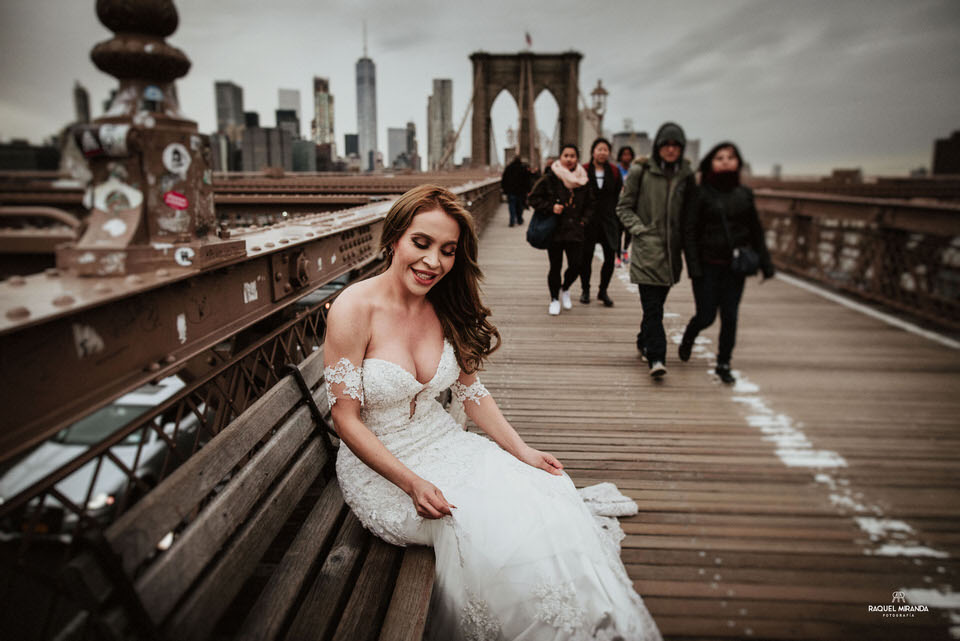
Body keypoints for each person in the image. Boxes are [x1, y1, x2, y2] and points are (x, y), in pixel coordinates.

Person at [323, 185, 662, 640]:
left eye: (447, 251)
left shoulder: (444, 305)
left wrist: (522, 450)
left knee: (546, 491)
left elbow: (471, 393)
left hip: (446, 443)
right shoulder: (353, 309)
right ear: (394, 239)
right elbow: (345, 419)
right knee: (493, 527)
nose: (433, 263)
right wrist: (412, 482)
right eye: (421, 243)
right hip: (384, 474)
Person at [679, 142, 775, 383]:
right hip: (707, 265)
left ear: (738, 162)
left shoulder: (744, 194)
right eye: (719, 157)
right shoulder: (701, 193)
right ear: (711, 162)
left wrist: (765, 262)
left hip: (735, 267)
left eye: (730, 157)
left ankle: (724, 363)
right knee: (706, 315)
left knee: (730, 316)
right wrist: (693, 266)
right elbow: (689, 231)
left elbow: (755, 230)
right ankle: (690, 334)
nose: (725, 161)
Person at [616, 122, 696, 378]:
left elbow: (693, 213)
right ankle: (657, 357)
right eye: (666, 145)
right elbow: (623, 208)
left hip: (672, 255)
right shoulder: (641, 171)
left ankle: (642, 340)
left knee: (655, 306)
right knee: (653, 308)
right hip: (647, 251)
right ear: (658, 147)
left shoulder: (687, 175)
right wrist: (640, 230)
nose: (671, 150)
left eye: (676, 146)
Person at [527, 144, 594, 316]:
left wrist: (584, 221)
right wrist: (551, 207)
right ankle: (554, 299)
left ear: (577, 158)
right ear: (561, 158)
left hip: (576, 230)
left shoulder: (583, 179)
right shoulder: (550, 177)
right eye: (566, 155)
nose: (569, 159)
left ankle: (565, 288)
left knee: (577, 265)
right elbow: (533, 198)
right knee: (555, 267)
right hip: (555, 230)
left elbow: (590, 204)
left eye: (573, 156)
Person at [579, 137, 622, 307]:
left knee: (610, 257)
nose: (602, 152)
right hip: (589, 221)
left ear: (609, 153)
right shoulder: (583, 169)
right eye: (599, 149)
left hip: (609, 220)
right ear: (593, 152)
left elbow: (618, 195)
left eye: (605, 150)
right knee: (586, 257)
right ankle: (585, 290)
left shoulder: (614, 171)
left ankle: (603, 290)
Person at [615, 146, 635, 267]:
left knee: (629, 231)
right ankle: (617, 255)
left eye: (628, 154)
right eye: (624, 154)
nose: (626, 157)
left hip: (631, 205)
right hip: (618, 204)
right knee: (618, 231)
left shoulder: (634, 171)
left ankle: (625, 250)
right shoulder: (616, 170)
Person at [500, 153, 530, 227]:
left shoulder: (509, 168)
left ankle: (512, 221)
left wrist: (504, 189)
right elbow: (527, 180)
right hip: (520, 192)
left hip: (511, 191)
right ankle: (519, 220)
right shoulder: (523, 168)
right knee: (519, 206)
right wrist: (528, 190)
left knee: (512, 206)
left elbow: (504, 179)